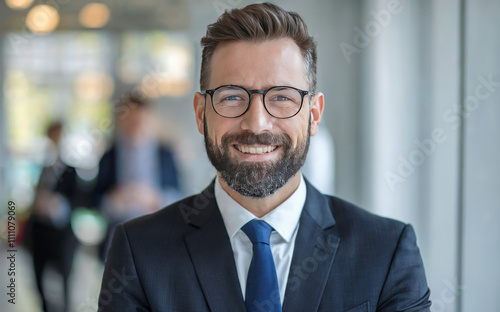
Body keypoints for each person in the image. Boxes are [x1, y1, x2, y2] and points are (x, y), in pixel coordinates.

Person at [99, 3, 431, 311]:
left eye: (282, 97)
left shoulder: (387, 252)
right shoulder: (139, 253)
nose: (256, 123)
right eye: (231, 97)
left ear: (314, 115)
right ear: (201, 113)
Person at [94, 91, 181, 261]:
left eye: (140, 120)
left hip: (159, 239)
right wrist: (113, 200)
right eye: (131, 120)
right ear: (122, 119)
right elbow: (94, 200)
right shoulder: (109, 156)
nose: (136, 125)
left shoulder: (165, 154)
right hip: (118, 241)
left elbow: (181, 197)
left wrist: (155, 198)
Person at [27, 121, 79, 312]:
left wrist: (54, 205)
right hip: (39, 231)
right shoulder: (42, 169)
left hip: (61, 235)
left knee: (64, 281)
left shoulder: (71, 171)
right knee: (39, 279)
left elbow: (77, 201)